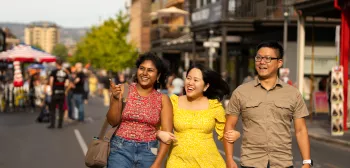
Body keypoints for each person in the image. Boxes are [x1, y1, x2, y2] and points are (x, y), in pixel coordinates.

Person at [224, 41, 312, 168]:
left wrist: (307, 162)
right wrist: (229, 159)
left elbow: (301, 130)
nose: (262, 62)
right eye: (258, 58)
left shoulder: (293, 94)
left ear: (279, 63)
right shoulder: (240, 92)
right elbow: (229, 127)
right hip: (251, 162)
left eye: (268, 58)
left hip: (282, 162)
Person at [157, 63, 240, 168]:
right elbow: (155, 126)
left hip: (209, 163)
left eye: (196, 80)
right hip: (177, 161)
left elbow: (225, 133)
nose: (190, 83)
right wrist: (159, 133)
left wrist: (234, 134)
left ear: (206, 86)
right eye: (188, 78)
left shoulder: (214, 105)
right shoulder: (173, 102)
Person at [106, 52, 173, 168]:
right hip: (120, 149)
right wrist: (115, 99)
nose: (145, 73)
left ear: (158, 76)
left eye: (150, 70)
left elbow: (167, 136)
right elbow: (112, 121)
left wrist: (157, 163)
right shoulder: (123, 89)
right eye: (142, 68)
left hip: (148, 152)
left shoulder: (163, 99)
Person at [48, 59, 69, 129]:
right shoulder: (65, 72)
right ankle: (60, 124)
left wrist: (51, 90)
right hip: (62, 92)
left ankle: (52, 124)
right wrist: (65, 90)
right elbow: (67, 83)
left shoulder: (53, 72)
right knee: (61, 109)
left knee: (53, 109)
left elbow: (51, 81)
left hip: (55, 92)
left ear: (56, 64)